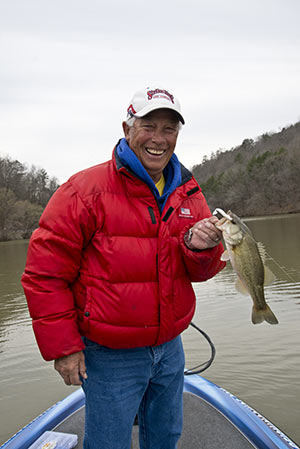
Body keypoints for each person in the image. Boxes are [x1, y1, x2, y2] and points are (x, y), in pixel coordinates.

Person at [22, 86, 225, 449]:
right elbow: (44, 275)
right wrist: (64, 347)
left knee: (165, 436)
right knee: (108, 442)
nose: (159, 139)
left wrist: (200, 248)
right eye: (149, 126)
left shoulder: (189, 191)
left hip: (170, 347)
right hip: (109, 355)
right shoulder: (82, 191)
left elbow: (200, 272)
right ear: (127, 128)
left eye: (169, 129)